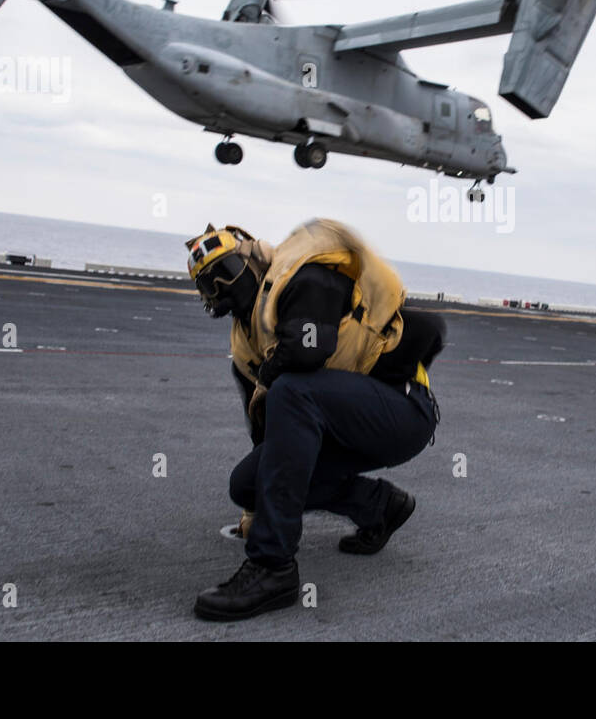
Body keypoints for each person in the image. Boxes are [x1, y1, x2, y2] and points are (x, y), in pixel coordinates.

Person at [184, 219, 446, 621]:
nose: (221, 289)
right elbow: (265, 432)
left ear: (252, 259)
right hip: (340, 424)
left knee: (292, 388)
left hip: (401, 408)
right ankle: (379, 505)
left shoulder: (303, 277)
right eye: (208, 285)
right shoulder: (247, 343)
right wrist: (260, 506)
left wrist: (270, 377)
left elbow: (309, 349)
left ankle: (273, 567)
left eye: (226, 273)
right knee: (247, 483)